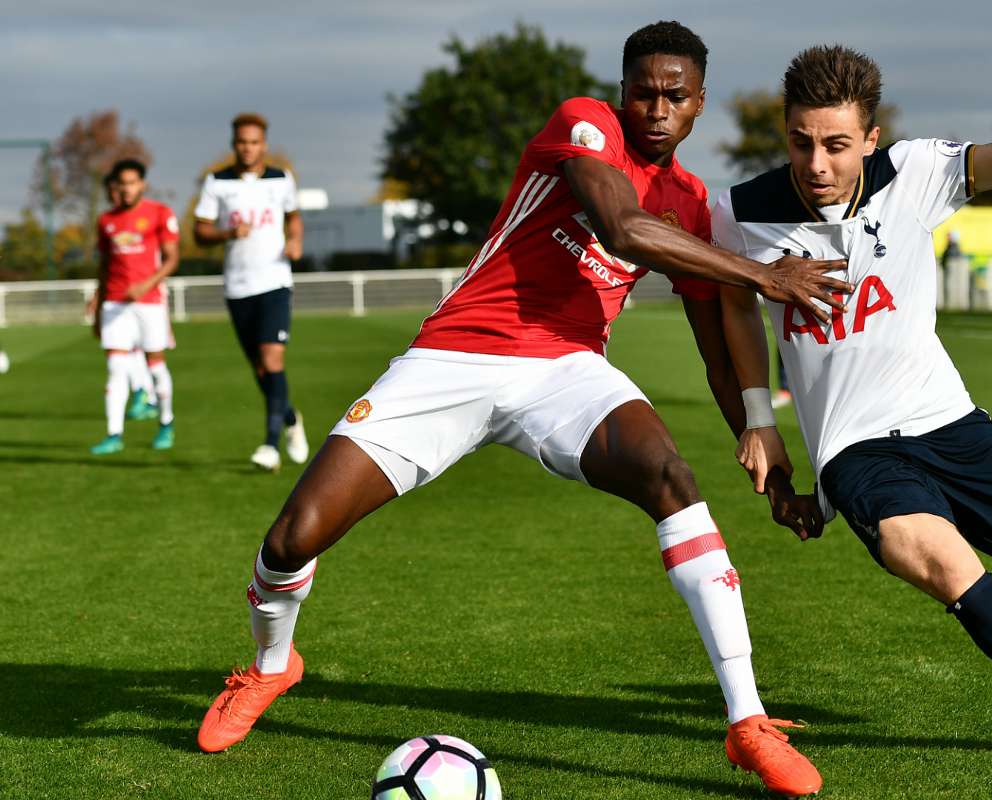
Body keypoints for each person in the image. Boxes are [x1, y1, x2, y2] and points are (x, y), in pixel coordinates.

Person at [195, 21, 849, 796]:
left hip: (566, 370)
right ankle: (272, 667)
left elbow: (714, 342)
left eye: (676, 95)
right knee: (291, 538)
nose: (658, 108)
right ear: (621, 92)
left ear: (700, 103)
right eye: (644, 91)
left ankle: (748, 723)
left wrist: (767, 462)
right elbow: (622, 227)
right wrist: (767, 276)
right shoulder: (584, 124)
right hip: (455, 358)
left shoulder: (691, 203)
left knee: (669, 475)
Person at [715, 17, 992, 770]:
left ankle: (958, 507)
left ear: (870, 136)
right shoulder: (742, 212)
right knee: (941, 567)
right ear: (785, 131)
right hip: (855, 452)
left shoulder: (918, 172)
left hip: (949, 421)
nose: (816, 163)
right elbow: (734, 303)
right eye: (801, 142)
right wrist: (761, 419)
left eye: (835, 144)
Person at [193, 112, 308, 472]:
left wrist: (296, 240)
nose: (248, 148)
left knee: (272, 358)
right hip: (237, 286)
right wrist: (228, 233)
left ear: (264, 145)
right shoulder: (217, 183)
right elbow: (199, 232)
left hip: (274, 282)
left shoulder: (280, 179)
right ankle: (290, 418)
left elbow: (294, 216)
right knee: (261, 369)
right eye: (242, 142)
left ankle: (269, 446)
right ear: (234, 145)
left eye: (254, 142)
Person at [90, 159, 179, 455]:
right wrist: (99, 300)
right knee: (116, 367)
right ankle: (113, 434)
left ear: (142, 184)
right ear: (115, 186)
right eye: (121, 184)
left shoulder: (159, 214)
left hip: (149, 302)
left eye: (132, 182)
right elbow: (104, 264)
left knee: (155, 366)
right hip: (115, 303)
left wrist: (146, 284)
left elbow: (171, 259)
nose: (126, 189)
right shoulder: (106, 221)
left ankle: (166, 423)